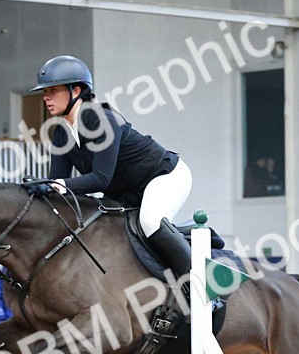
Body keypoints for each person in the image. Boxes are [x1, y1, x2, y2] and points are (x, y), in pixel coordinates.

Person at [27, 55, 194, 282]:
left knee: (150, 221)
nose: (46, 97)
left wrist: (55, 186)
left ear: (76, 91)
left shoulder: (103, 120)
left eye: (53, 90)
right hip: (126, 192)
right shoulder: (61, 133)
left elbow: (100, 179)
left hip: (165, 177)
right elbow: (58, 183)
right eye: (44, 92)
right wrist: (40, 189)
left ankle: (200, 283)